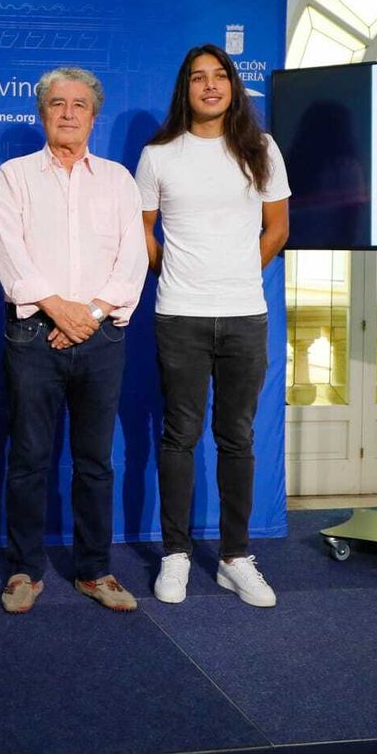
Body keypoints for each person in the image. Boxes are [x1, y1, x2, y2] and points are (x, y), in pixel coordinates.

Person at [137, 43, 290, 608]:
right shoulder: (159, 154)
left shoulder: (261, 148)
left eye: (219, 76)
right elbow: (143, 229)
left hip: (246, 315)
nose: (209, 86)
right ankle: (175, 554)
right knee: (179, 436)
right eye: (198, 78)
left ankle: (234, 557)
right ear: (186, 88)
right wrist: (176, 272)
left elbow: (277, 229)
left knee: (238, 437)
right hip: (178, 314)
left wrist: (235, 272)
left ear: (232, 85)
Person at [0, 66, 147, 614]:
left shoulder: (119, 180)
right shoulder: (15, 176)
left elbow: (134, 258)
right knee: (30, 458)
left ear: (93, 115)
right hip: (34, 336)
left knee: (95, 462)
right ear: (42, 113)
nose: (68, 112)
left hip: (102, 339)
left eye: (79, 104)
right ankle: (24, 570)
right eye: (57, 103)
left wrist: (93, 314)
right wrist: (60, 310)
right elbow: (9, 252)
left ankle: (94, 570)